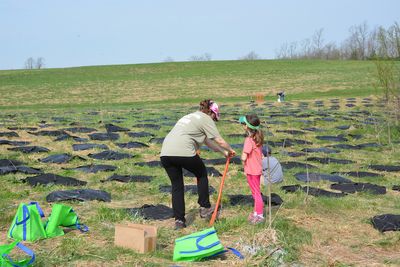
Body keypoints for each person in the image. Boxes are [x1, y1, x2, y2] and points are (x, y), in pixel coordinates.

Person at [160, 99, 236, 229]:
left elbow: (207, 142)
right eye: (214, 118)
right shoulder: (206, 119)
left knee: (177, 186)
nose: (214, 120)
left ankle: (179, 220)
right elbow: (218, 140)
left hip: (165, 153)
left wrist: (223, 152)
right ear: (212, 113)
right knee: (201, 173)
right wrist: (230, 150)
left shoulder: (191, 116)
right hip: (184, 151)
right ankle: (205, 207)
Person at [239, 114, 265, 224]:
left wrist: (242, 161)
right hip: (257, 170)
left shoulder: (249, 140)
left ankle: (259, 214)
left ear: (247, 126)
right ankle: (256, 212)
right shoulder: (257, 138)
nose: (242, 125)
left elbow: (244, 156)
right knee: (255, 191)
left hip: (251, 171)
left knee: (256, 192)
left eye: (243, 124)